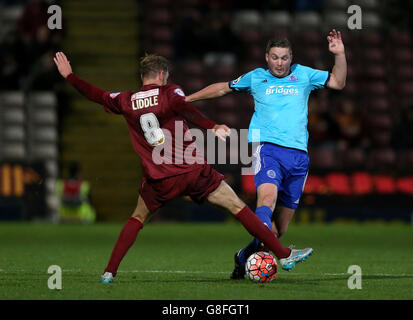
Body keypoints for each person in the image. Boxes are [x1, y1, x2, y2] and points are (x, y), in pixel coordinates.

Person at [53, 52, 313, 283]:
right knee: (238, 207)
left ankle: (109, 272)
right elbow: (183, 106)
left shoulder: (126, 100)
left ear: (142, 75)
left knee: (137, 218)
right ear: (163, 74)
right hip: (192, 172)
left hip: (158, 179)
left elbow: (96, 95)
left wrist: (70, 76)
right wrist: (212, 126)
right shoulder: (169, 92)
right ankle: (284, 254)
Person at [185, 29, 347, 279]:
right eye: (275, 57)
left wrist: (339, 54)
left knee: (278, 229)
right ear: (266, 57)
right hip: (267, 149)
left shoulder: (304, 74)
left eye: (284, 58)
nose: (280, 63)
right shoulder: (256, 78)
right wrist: (187, 99)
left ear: (291, 57)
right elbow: (221, 89)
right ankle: (284, 255)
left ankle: (243, 257)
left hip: (299, 157)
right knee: (266, 201)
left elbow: (338, 82)